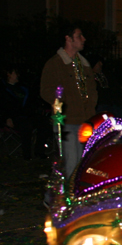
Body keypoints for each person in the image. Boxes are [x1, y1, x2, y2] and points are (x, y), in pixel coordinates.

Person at [40, 26, 97, 178]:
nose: (83, 39)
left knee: (82, 165)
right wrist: (62, 100)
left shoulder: (84, 65)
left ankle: (73, 197)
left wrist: (91, 108)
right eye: (79, 36)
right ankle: (62, 198)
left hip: (85, 122)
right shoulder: (55, 64)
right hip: (67, 122)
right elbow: (46, 90)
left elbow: (92, 90)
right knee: (70, 164)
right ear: (68, 38)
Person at [0, 65, 48, 160]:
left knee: (43, 122)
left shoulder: (23, 87)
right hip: (12, 117)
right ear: (8, 74)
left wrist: (38, 109)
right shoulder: (0, 90)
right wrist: (6, 118)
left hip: (27, 114)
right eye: (15, 73)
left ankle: (39, 151)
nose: (18, 75)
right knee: (26, 126)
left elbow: (32, 102)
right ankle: (27, 154)